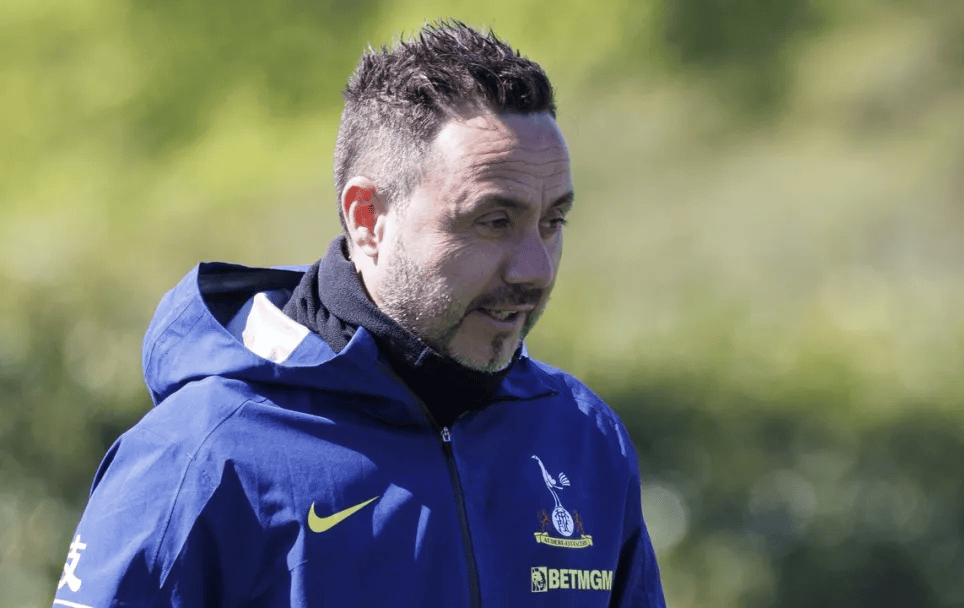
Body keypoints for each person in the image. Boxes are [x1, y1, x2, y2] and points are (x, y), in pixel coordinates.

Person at [53, 20, 666, 607]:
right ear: (368, 218)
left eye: (553, 222)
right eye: (494, 221)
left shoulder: (584, 438)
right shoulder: (201, 455)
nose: (535, 269)